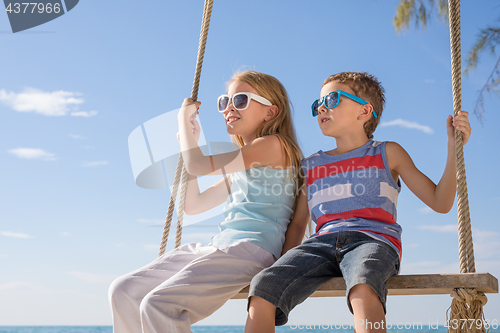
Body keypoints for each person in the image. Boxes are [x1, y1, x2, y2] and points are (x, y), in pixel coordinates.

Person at [245, 71, 471, 333]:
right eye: (318, 104)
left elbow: (440, 202)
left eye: (331, 99)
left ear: (364, 111)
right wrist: (285, 266)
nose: (321, 108)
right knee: (263, 286)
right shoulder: (310, 166)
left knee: (363, 285)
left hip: (373, 240)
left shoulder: (388, 153)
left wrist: (454, 148)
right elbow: (297, 225)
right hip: (320, 244)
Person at [108, 70, 304, 333]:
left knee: (159, 304)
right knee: (123, 291)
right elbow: (193, 205)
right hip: (221, 247)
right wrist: (187, 143)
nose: (229, 108)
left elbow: (199, 164)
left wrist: (183, 126)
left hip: (252, 250)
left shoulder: (273, 145)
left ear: (271, 112)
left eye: (241, 100)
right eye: (225, 101)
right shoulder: (243, 164)